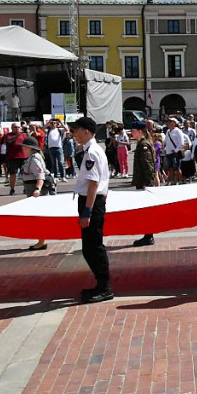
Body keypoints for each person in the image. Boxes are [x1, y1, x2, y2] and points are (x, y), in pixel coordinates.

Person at [70, 117, 113, 303]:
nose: (74, 134)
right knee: (90, 246)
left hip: (91, 202)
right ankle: (100, 284)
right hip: (93, 201)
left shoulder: (92, 153)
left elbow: (94, 183)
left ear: (86, 131)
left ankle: (104, 286)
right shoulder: (91, 150)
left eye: (76, 130)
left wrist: (87, 211)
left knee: (93, 246)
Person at [131, 121, 159, 247]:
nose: (132, 132)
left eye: (134, 130)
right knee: (145, 211)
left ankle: (149, 236)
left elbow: (148, 166)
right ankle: (148, 235)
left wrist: (148, 185)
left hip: (145, 183)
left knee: (147, 211)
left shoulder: (144, 145)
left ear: (140, 131)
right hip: (143, 182)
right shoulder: (142, 143)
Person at [20, 137, 49, 252]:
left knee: (38, 217)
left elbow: (40, 175)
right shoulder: (32, 157)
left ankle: (42, 241)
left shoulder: (34, 158)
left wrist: (37, 189)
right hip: (31, 188)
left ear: (29, 148)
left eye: (23, 146)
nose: (22, 148)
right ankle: (41, 240)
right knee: (37, 216)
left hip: (35, 190)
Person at [4, 123, 28, 196]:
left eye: (18, 127)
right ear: (12, 128)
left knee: (25, 173)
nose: (17, 129)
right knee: (13, 174)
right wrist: (18, 135)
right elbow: (9, 141)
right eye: (15, 127)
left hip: (23, 157)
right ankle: (12, 189)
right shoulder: (8, 135)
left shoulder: (24, 135)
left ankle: (26, 188)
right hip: (12, 157)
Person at [162, 117, 185, 185]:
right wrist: (165, 150)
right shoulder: (168, 131)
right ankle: (172, 181)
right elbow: (166, 141)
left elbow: (181, 143)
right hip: (168, 152)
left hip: (175, 152)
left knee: (177, 168)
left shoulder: (178, 131)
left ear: (175, 123)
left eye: (171, 122)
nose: (169, 123)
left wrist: (176, 150)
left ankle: (180, 180)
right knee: (170, 168)